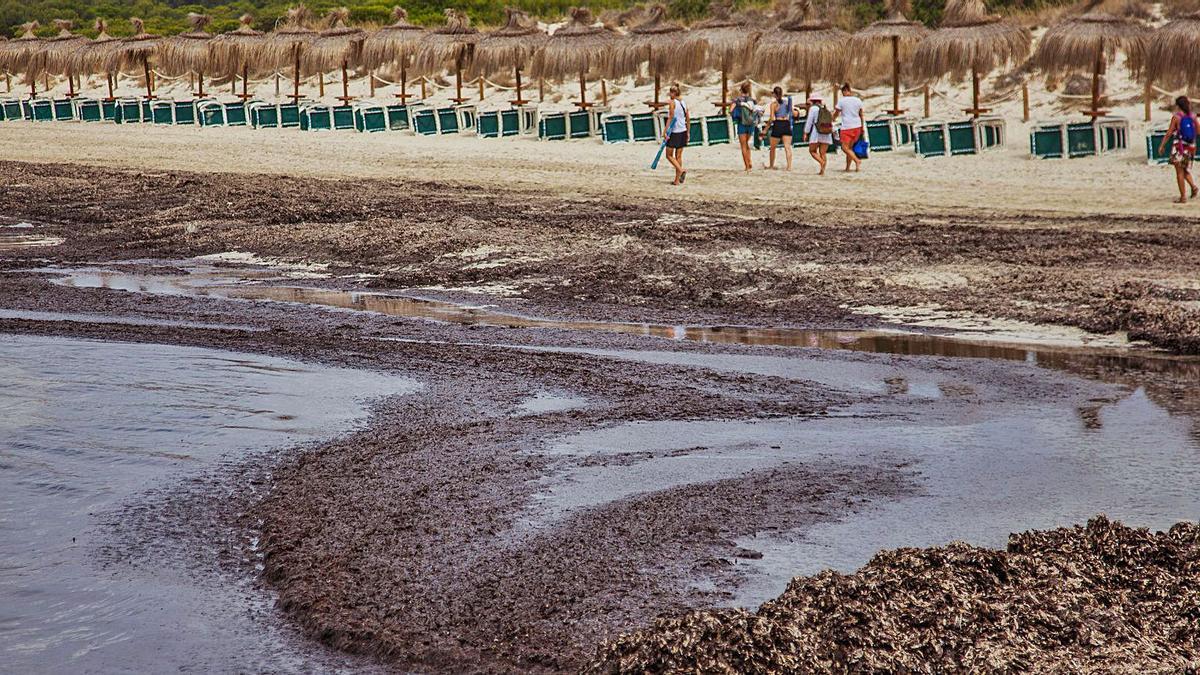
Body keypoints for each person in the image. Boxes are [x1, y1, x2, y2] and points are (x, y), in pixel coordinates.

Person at [1158, 95, 1199, 204]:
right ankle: (1194, 187)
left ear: (1178, 106)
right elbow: (1198, 131)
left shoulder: (1176, 117)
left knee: (1179, 172)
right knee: (1185, 169)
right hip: (1190, 147)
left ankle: (1183, 197)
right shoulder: (1193, 117)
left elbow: (1169, 133)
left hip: (1179, 148)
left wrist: (1162, 145)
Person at [663, 83, 689, 185]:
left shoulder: (673, 103)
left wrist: (665, 131)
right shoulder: (684, 102)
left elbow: (671, 117)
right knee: (678, 156)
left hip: (675, 132)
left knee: (669, 155)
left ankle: (681, 170)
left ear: (674, 93)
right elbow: (688, 118)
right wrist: (688, 132)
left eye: (670, 93)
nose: (670, 95)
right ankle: (677, 180)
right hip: (683, 130)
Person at [836, 82, 865, 172]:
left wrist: (831, 119)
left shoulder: (842, 101)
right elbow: (861, 114)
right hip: (857, 126)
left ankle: (857, 161)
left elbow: (836, 113)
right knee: (850, 148)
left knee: (845, 148)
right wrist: (862, 127)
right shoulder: (858, 100)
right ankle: (848, 168)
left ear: (845, 91)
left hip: (847, 127)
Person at [765, 86, 795, 170]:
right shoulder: (786, 103)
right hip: (786, 124)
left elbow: (771, 118)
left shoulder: (773, 105)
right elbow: (793, 113)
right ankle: (789, 167)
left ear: (774, 94)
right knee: (787, 147)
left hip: (778, 124)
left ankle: (771, 165)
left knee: (773, 147)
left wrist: (765, 129)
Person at [803, 95, 833, 176]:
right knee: (823, 153)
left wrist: (806, 132)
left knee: (812, 151)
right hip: (826, 132)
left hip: (816, 132)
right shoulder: (825, 108)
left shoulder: (813, 109)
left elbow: (809, 121)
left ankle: (821, 162)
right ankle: (822, 171)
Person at [731, 82, 757, 172]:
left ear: (741, 90)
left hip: (742, 123)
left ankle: (746, 166)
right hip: (751, 124)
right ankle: (749, 162)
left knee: (743, 146)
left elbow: (731, 110)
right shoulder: (752, 100)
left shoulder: (737, 100)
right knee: (746, 144)